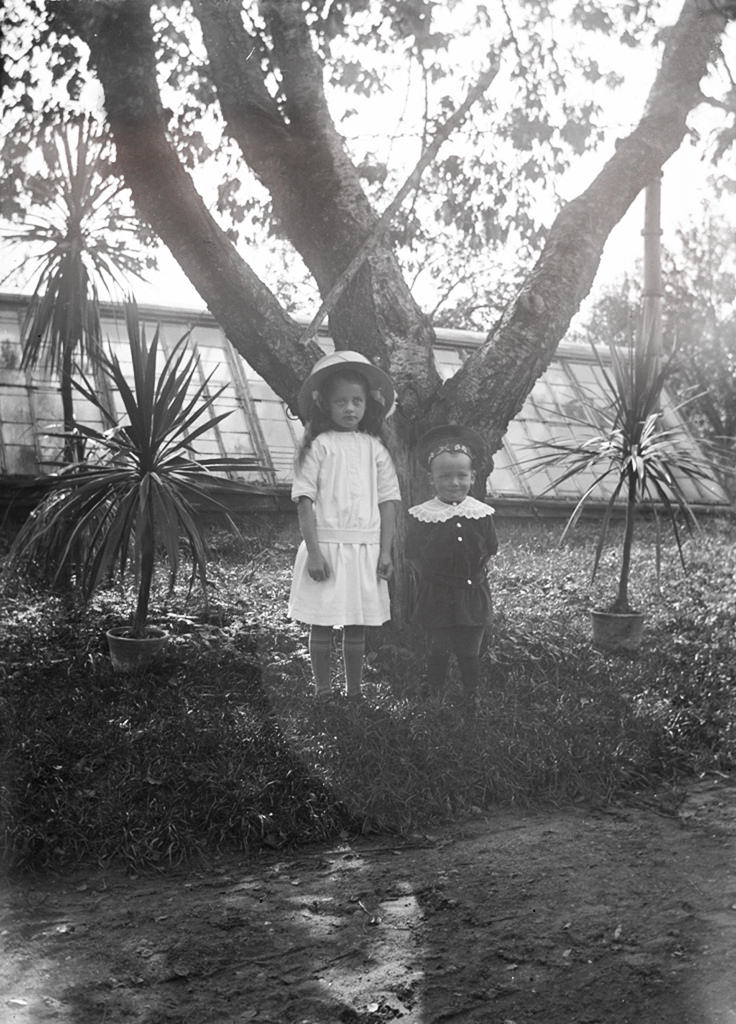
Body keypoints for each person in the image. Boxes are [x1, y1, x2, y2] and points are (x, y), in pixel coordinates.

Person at [288, 350, 401, 701]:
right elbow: (304, 502)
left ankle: (354, 691)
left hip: (365, 550)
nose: (350, 409)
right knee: (321, 622)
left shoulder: (376, 449)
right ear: (326, 405)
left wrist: (385, 551)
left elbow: (388, 504)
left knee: (357, 625)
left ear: (368, 404)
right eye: (341, 402)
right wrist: (316, 554)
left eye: (357, 401)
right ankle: (323, 689)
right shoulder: (318, 447)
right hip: (328, 548)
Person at [406, 424, 498, 710]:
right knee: (439, 646)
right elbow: (413, 553)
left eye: (461, 476)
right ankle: (435, 692)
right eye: (445, 476)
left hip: (472, 593)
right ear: (432, 479)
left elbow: (490, 547)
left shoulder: (480, 513)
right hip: (437, 593)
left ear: (472, 477)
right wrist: (431, 578)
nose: (454, 482)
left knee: (470, 648)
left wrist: (477, 574)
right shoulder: (423, 516)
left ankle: (471, 695)